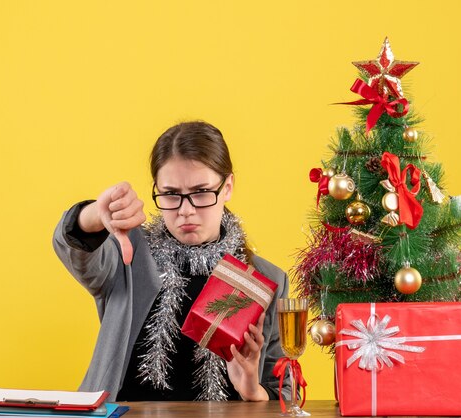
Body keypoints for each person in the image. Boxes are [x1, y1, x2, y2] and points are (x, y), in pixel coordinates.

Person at [53, 121, 290, 402]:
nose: (185, 210)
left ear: (227, 187)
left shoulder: (264, 279)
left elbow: (281, 394)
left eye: (201, 192)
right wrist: (95, 214)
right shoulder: (127, 253)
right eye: (170, 194)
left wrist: (252, 390)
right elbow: (72, 247)